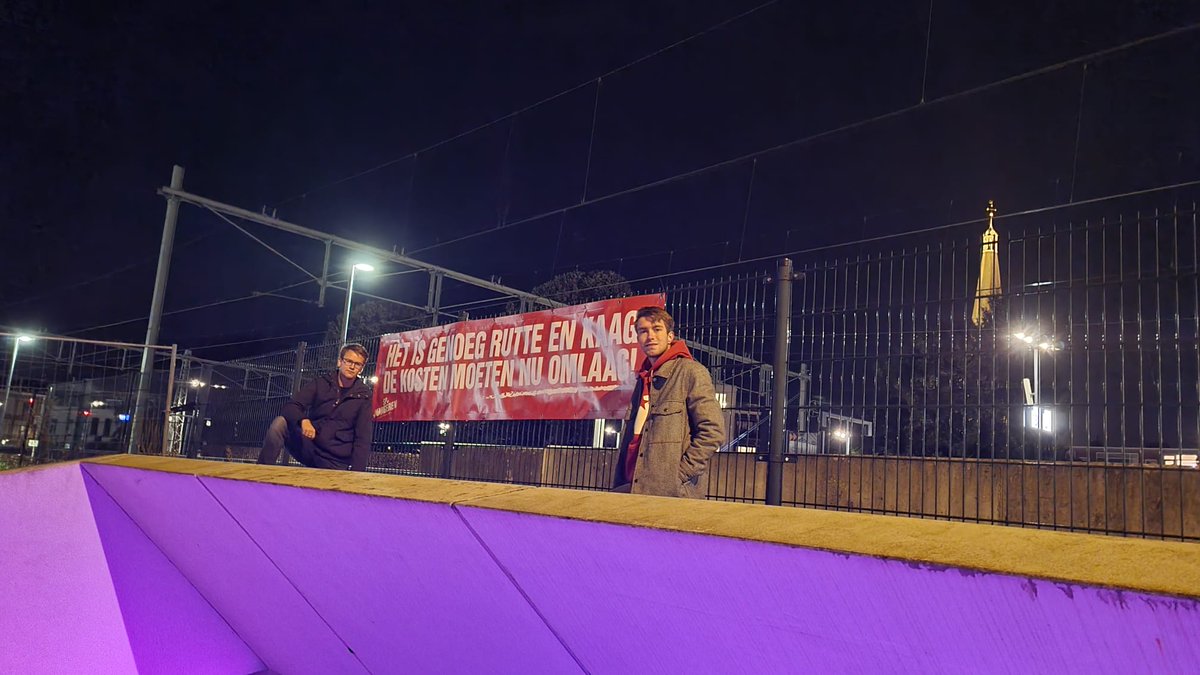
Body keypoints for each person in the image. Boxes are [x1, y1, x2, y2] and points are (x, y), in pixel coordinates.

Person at [613, 306, 725, 498]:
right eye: (643, 331)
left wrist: (679, 475)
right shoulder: (644, 379)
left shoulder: (691, 372)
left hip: (671, 494)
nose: (650, 336)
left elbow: (713, 431)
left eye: (657, 329)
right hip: (633, 487)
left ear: (670, 336)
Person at [256, 343, 374, 471]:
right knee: (280, 424)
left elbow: (363, 437)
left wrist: (356, 474)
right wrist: (303, 420)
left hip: (335, 461)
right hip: (310, 447)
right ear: (340, 362)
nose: (352, 367)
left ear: (361, 369)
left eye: (357, 364)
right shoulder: (321, 383)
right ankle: (261, 472)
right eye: (349, 361)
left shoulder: (364, 396)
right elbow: (291, 406)